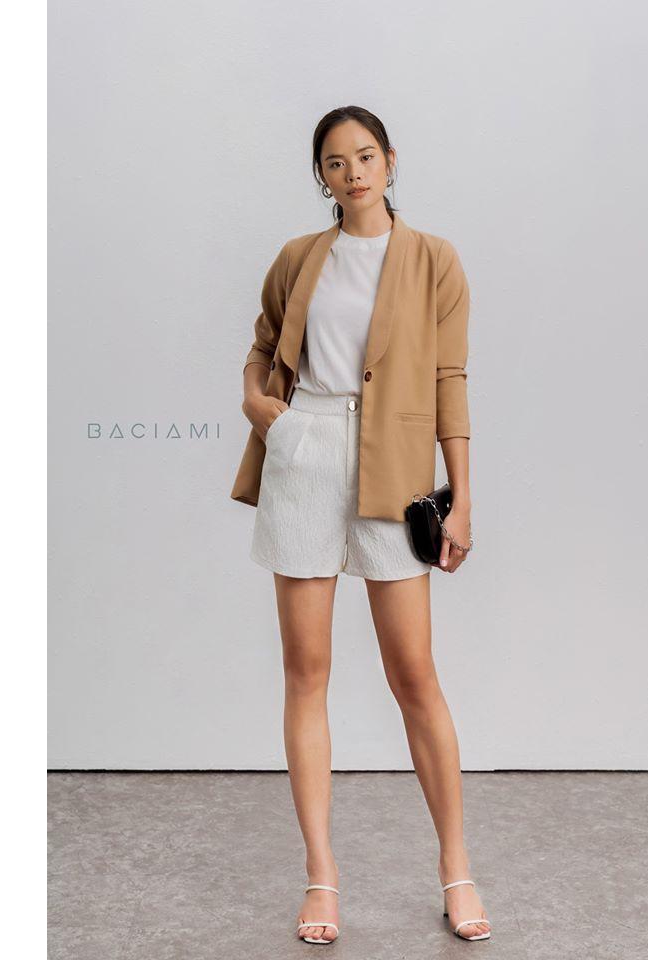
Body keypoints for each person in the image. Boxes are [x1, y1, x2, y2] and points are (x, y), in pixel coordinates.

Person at [230, 105, 490, 944]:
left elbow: (450, 378)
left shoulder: (434, 259)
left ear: (390, 161)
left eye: (366, 156)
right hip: (305, 455)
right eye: (336, 163)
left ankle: (457, 868)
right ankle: (321, 875)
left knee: (414, 674)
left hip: (394, 469)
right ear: (322, 176)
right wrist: (261, 408)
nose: (353, 173)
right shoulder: (298, 258)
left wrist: (462, 497)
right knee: (306, 672)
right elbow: (263, 346)